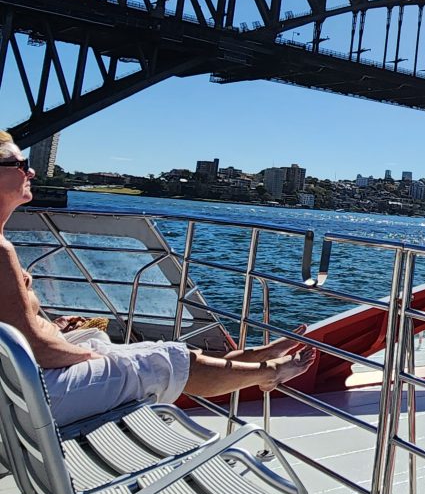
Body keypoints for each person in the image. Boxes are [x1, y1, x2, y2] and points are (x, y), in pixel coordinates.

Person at [0, 131, 315, 426]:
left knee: (163, 352)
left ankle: (258, 360)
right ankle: (268, 372)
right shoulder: (1, 252)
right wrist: (90, 357)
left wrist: (53, 328)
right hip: (34, 393)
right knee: (165, 361)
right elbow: (37, 350)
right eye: (20, 165)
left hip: (18, 385)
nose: (32, 172)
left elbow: (18, 331)